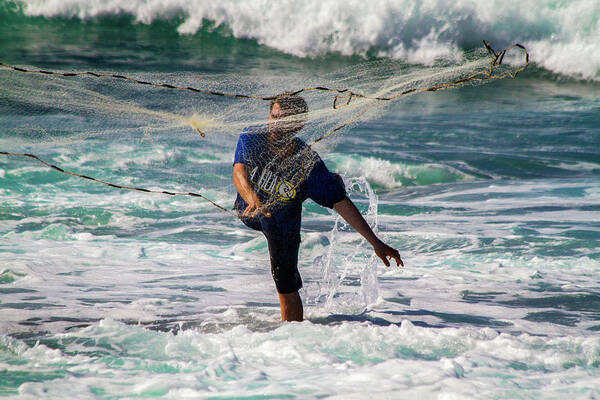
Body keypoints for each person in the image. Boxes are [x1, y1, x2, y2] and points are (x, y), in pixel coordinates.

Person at [233, 94, 402, 322]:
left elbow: (342, 204)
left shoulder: (307, 163)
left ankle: (291, 338)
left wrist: (376, 243)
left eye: (285, 120)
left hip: (282, 224)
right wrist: (252, 198)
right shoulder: (253, 136)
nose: (276, 124)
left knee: (287, 288)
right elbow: (239, 171)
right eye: (274, 117)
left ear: (299, 124)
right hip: (249, 210)